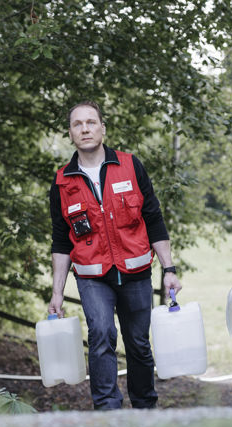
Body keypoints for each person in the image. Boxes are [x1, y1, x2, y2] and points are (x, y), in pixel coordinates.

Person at [48, 100, 182, 410]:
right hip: (93, 277)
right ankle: (108, 412)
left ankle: (145, 408)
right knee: (101, 335)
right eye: (77, 124)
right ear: (70, 133)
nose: (85, 128)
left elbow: (153, 219)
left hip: (135, 273)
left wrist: (169, 268)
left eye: (91, 122)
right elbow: (60, 241)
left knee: (137, 344)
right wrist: (57, 292)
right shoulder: (62, 182)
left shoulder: (130, 165)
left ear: (102, 128)